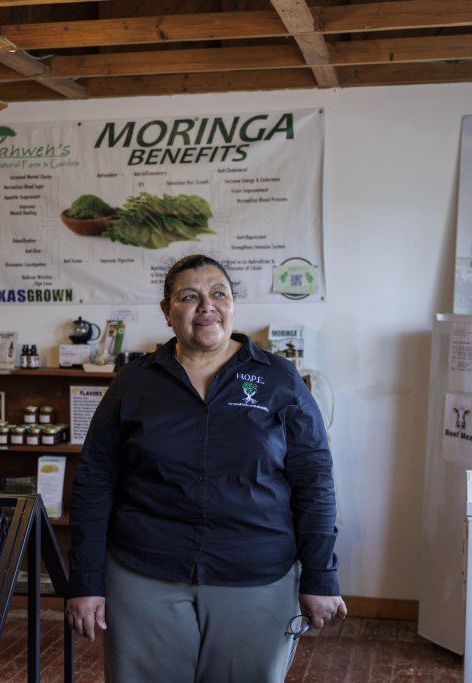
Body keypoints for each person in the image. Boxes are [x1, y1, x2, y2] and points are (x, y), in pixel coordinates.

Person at [66, 254, 344, 683]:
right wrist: (86, 581)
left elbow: (314, 484)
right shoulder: (133, 383)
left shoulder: (278, 379)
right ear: (166, 311)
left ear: (233, 305)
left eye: (219, 294)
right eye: (189, 296)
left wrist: (321, 575)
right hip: (145, 573)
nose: (206, 306)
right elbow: (94, 480)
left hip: (256, 576)